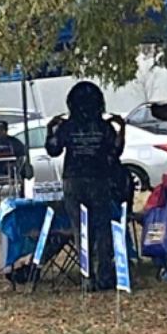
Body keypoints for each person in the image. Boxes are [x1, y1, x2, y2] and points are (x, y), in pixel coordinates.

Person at [45, 82, 124, 291]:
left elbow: (53, 150)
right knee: (102, 228)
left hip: (74, 180)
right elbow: (115, 152)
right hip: (99, 179)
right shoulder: (103, 126)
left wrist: (49, 130)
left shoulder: (67, 126)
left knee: (81, 229)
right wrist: (121, 129)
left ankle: (87, 277)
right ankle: (105, 275)